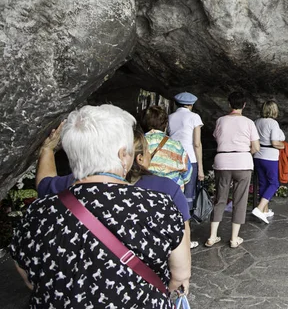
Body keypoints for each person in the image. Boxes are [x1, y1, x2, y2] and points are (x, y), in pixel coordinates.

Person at [11, 105, 191, 308]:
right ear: (124, 156)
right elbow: (180, 275)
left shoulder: (38, 212)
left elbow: (28, 276)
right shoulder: (159, 206)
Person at [205, 92, 260, 249]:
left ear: (229, 104)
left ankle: (212, 236)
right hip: (243, 162)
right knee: (240, 200)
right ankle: (234, 238)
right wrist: (244, 152)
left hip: (222, 161)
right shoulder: (249, 122)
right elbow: (256, 147)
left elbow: (218, 138)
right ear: (244, 105)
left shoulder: (220, 121)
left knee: (220, 198)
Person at [169, 92, 206, 212]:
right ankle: (186, 221)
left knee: (174, 187)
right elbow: (197, 143)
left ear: (176, 103)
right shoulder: (194, 117)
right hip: (190, 157)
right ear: (191, 104)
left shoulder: (170, 117)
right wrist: (200, 168)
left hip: (173, 156)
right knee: (189, 191)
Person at [142, 105, 192, 191]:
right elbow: (187, 173)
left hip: (144, 190)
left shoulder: (138, 143)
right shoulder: (176, 145)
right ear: (165, 125)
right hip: (171, 191)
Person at [252, 100, 285, 224]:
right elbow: (275, 142)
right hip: (270, 156)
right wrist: (283, 146)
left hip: (257, 155)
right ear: (274, 110)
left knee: (263, 183)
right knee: (274, 183)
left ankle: (265, 211)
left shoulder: (256, 122)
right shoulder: (273, 123)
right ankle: (259, 208)